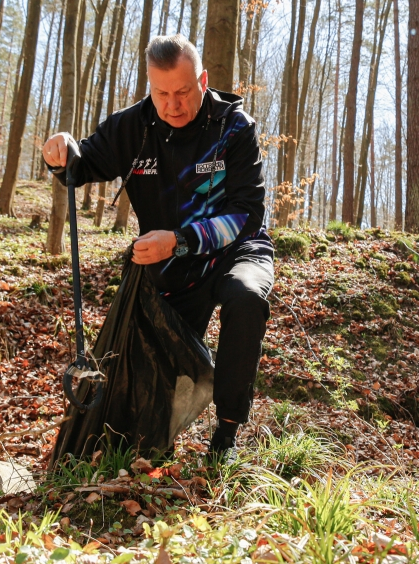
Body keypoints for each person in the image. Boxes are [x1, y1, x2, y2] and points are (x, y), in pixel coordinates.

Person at [42, 34, 274, 456]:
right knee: (151, 358)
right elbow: (82, 161)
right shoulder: (133, 127)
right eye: (161, 93)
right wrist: (60, 150)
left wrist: (181, 240)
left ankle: (225, 434)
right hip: (173, 260)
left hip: (237, 249)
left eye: (183, 92)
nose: (173, 105)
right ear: (149, 86)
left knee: (245, 298)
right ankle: (149, 440)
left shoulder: (235, 128)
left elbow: (247, 215)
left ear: (202, 81)